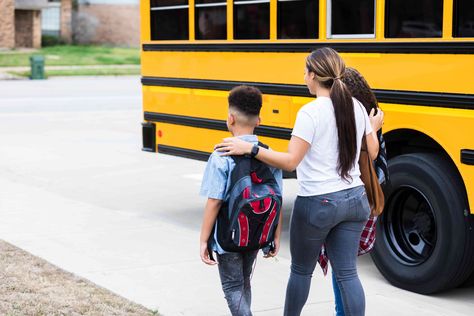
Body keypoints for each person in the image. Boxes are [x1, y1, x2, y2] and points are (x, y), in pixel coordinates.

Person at [215, 47, 383, 316]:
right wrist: (371, 129)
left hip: (319, 203)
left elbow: (291, 161)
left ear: (314, 75)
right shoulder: (356, 107)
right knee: (348, 274)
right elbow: (372, 152)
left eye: (305, 73)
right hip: (355, 200)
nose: (304, 78)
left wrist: (251, 149)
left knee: (301, 272)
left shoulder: (310, 112)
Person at [199, 85, 283, 316]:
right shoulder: (268, 154)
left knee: (232, 286)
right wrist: (275, 234)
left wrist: (204, 240)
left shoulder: (221, 155)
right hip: (256, 232)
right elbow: (278, 196)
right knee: (244, 281)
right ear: (259, 120)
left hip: (228, 235)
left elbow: (214, 201)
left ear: (230, 119)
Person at [330, 67, 389, 316]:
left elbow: (367, 153)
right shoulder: (372, 112)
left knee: (343, 270)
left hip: (350, 194)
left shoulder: (351, 116)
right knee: (346, 268)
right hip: (366, 196)